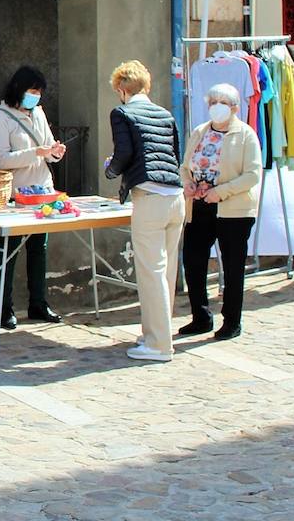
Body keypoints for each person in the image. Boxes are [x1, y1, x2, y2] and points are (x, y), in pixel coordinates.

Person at [104, 61, 185, 363]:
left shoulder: (122, 113)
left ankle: (159, 344)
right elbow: (174, 153)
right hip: (175, 196)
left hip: (149, 196)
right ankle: (157, 334)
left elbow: (124, 154)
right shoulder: (165, 113)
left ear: (123, 89)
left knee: (151, 273)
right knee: (166, 272)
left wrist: (111, 171)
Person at [0, 65, 68, 330]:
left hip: (42, 191)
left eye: (39, 92)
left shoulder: (38, 113)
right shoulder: (0, 118)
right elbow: (1, 159)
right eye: (32, 91)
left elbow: (47, 146)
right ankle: (4, 308)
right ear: (19, 89)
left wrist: (54, 151)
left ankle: (38, 303)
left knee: (39, 248)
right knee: (9, 250)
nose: (35, 96)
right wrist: (38, 152)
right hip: (15, 194)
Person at [179, 84, 262, 341]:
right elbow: (185, 166)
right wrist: (188, 184)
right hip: (200, 206)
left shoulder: (245, 135)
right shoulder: (199, 132)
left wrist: (222, 191)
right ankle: (200, 316)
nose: (216, 106)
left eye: (222, 102)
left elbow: (252, 174)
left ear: (235, 107)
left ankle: (232, 320)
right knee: (193, 261)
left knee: (233, 265)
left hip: (233, 210)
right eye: (213, 101)